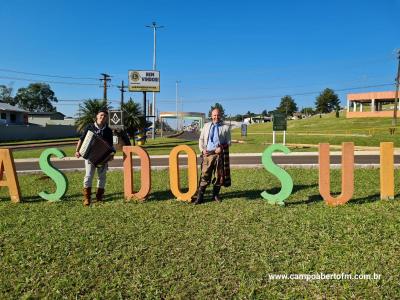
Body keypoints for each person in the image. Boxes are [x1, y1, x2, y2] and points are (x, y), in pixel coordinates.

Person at [75, 108, 115, 206]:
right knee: (88, 176)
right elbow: (81, 139)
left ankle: (99, 197)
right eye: (101, 115)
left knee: (102, 177)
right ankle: (87, 198)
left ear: (107, 118)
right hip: (89, 156)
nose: (103, 117)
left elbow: (111, 145)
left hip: (102, 158)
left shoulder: (108, 130)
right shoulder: (90, 127)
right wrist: (77, 151)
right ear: (97, 116)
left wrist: (111, 155)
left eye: (105, 116)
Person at [193, 108, 231, 205]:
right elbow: (201, 140)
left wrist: (221, 148)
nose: (216, 117)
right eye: (214, 115)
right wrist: (202, 150)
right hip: (208, 154)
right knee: (205, 175)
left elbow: (229, 142)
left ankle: (215, 195)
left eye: (218, 115)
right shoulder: (206, 126)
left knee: (218, 176)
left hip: (219, 155)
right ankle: (200, 197)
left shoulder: (226, 128)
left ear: (220, 115)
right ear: (211, 116)